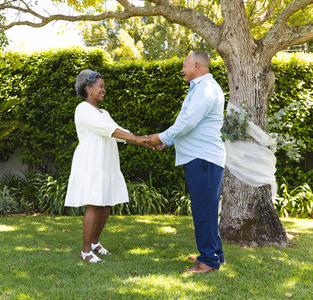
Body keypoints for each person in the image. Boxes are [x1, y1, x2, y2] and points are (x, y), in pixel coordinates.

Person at [145, 52, 226, 273]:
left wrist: (160, 137)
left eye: (184, 66)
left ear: (196, 65)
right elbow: (189, 123)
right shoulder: (200, 89)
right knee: (206, 209)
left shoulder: (206, 89)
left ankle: (208, 260)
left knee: (203, 211)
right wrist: (168, 142)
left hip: (203, 158)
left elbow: (189, 122)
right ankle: (215, 254)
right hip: (200, 157)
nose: (182, 70)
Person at [65, 69, 147, 264]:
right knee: (94, 202)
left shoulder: (104, 112)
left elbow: (120, 131)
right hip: (92, 161)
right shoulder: (82, 109)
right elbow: (109, 130)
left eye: (103, 87)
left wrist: (146, 141)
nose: (104, 90)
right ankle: (85, 251)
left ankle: (94, 242)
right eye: (100, 86)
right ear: (88, 88)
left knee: (106, 203)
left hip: (107, 161)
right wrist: (140, 140)